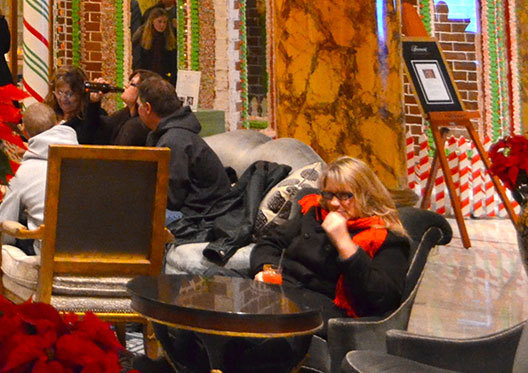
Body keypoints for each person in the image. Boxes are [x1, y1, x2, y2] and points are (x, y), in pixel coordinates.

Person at [154, 157, 413, 373]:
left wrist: (345, 244)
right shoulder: (313, 212)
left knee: (236, 325)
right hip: (279, 288)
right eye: (329, 194)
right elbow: (271, 242)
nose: (335, 203)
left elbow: (382, 297)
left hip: (320, 306)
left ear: (365, 195)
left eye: (346, 196)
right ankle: (178, 364)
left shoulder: (386, 238)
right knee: (205, 288)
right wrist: (265, 270)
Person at [136, 76, 232, 241]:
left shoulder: (174, 141)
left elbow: (170, 199)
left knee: (134, 215)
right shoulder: (172, 135)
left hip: (202, 218)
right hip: (196, 212)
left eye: (138, 106)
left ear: (147, 108)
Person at [0, 100, 77, 252]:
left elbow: (4, 226)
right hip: (91, 251)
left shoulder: (25, 172)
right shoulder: (86, 159)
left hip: (49, 254)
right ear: (58, 124)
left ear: (24, 132)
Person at [100, 69, 160, 148]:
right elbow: (102, 130)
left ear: (141, 92)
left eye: (132, 84)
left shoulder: (138, 126)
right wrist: (93, 102)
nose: (126, 86)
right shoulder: (125, 113)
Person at [52, 67, 109, 145]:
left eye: (69, 94)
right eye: (59, 92)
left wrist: (94, 102)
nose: (63, 99)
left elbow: (85, 139)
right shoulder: (51, 112)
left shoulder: (94, 115)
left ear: (80, 93)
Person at [132, 5, 178, 83]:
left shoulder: (168, 38)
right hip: (146, 78)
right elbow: (138, 60)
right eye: (159, 21)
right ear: (152, 21)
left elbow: (172, 61)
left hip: (163, 78)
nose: (162, 25)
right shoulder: (142, 36)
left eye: (164, 22)